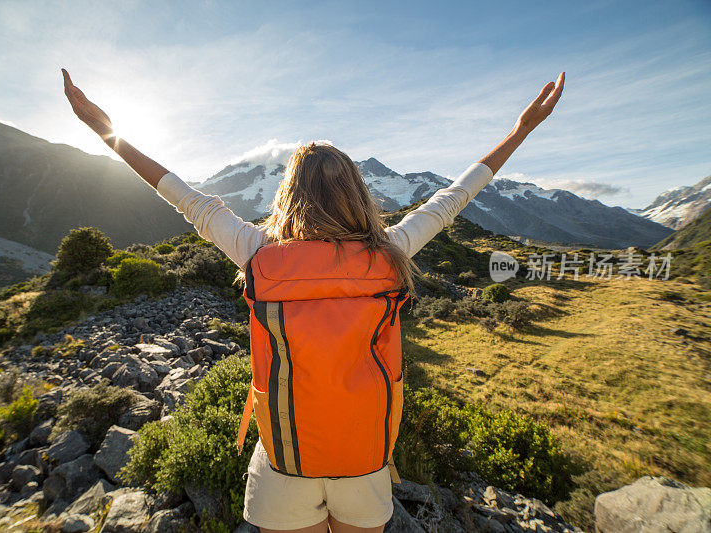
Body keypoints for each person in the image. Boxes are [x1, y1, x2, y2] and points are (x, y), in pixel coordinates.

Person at [62, 68, 565, 532]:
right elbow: (452, 199)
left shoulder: (258, 254)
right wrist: (521, 130)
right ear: (357, 194)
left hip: (285, 458)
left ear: (288, 194)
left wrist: (103, 128)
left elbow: (183, 197)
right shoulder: (388, 256)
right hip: (365, 461)